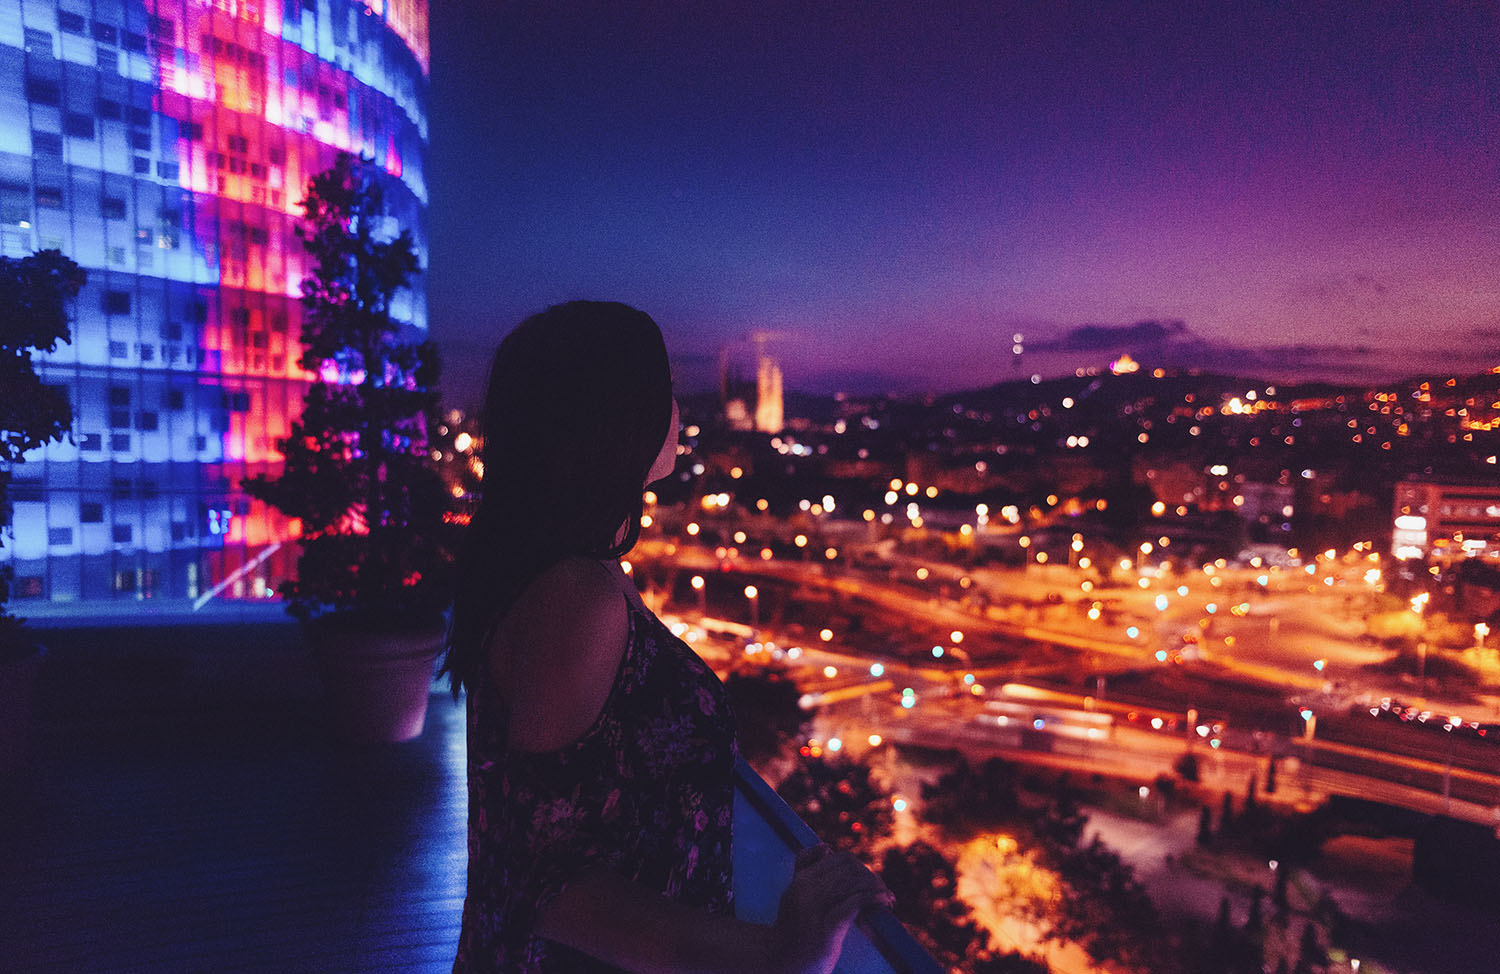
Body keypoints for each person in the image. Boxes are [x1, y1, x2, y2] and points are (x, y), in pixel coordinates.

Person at [444, 301, 889, 973]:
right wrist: (781, 953)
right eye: (668, 394)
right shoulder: (575, 597)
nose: (680, 414)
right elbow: (548, 884)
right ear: (615, 421)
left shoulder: (578, 571)